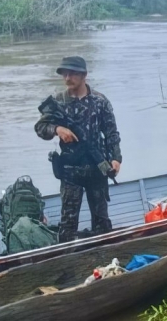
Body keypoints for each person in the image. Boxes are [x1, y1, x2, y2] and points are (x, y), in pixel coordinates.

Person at [35, 56, 122, 243]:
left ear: (84, 75)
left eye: (72, 73)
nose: (67, 78)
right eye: (64, 74)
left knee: (102, 223)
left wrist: (116, 158)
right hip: (70, 171)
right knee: (68, 224)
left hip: (97, 168)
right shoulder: (58, 102)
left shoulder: (100, 101)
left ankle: (106, 258)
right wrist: (57, 129)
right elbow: (40, 128)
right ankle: (67, 262)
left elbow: (111, 133)